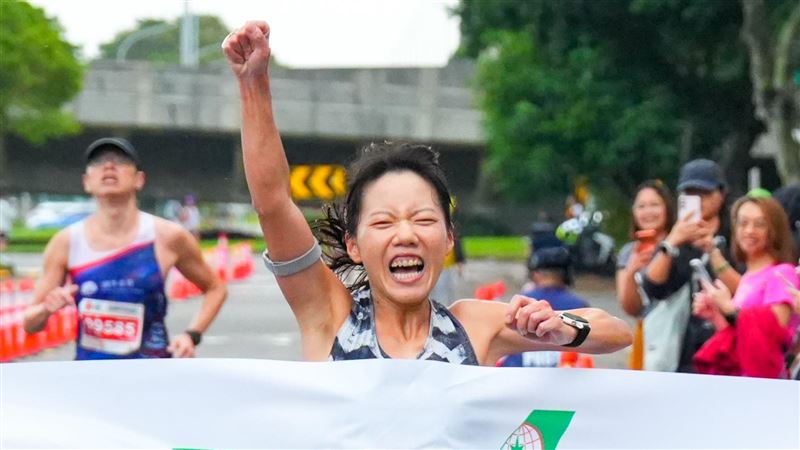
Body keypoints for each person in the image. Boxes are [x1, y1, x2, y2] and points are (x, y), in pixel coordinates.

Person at [222, 21, 631, 365]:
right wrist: (253, 84)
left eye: (423, 219)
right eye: (383, 222)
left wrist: (560, 328)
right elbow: (273, 203)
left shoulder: (474, 326)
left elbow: (616, 331)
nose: (406, 234)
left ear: (449, 239)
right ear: (354, 245)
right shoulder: (328, 316)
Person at [23, 138, 227, 359]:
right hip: (92, 378)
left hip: (152, 375)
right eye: (99, 162)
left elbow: (216, 288)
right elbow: (30, 323)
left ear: (139, 179)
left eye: (120, 161)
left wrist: (191, 336)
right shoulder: (66, 242)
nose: (109, 166)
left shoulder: (168, 236)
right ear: (86, 181)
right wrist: (46, 309)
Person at [640, 159, 739, 373]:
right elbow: (653, 288)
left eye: (704, 192)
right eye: (690, 194)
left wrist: (712, 252)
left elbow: (744, 290)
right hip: (682, 352)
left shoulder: (737, 235)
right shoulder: (676, 240)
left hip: (729, 348)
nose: (698, 199)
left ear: (722, 194)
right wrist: (672, 242)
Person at [693, 195, 799, 378]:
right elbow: (742, 337)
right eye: (743, 223)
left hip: (767, 385)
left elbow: (774, 332)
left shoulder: (782, 273)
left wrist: (728, 307)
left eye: (759, 224)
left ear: (773, 229)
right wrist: (716, 316)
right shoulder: (749, 277)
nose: (749, 230)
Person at [615, 180, 675, 370]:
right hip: (647, 335)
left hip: (677, 334)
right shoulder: (628, 252)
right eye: (641, 206)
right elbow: (630, 307)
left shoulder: (680, 245)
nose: (648, 211)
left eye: (655, 204)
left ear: (667, 208)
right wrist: (632, 270)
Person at [500, 247, 590, 368]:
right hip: (565, 374)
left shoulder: (520, 302)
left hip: (518, 375)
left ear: (536, 274)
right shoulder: (579, 305)